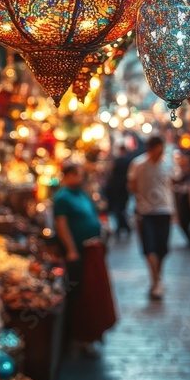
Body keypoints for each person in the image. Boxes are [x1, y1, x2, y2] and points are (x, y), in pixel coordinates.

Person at [53, 163, 105, 352]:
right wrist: (71, 249)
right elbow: (61, 225)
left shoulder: (81, 194)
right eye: (77, 174)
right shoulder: (62, 198)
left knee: (90, 291)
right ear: (68, 176)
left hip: (91, 249)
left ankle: (88, 333)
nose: (80, 178)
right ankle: (77, 334)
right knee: (78, 292)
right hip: (77, 252)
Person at [128, 136, 174, 300]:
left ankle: (157, 277)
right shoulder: (138, 165)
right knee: (149, 247)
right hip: (145, 212)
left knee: (162, 248)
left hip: (165, 210)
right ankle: (155, 280)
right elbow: (132, 186)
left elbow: (171, 184)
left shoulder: (168, 163)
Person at [104, 144, 133, 239]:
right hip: (123, 189)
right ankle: (123, 227)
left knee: (118, 209)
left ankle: (123, 227)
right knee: (121, 209)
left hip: (116, 189)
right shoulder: (129, 161)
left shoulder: (117, 161)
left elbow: (110, 172)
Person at [172, 150, 190, 248]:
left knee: (186, 220)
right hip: (184, 200)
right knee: (184, 221)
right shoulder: (185, 171)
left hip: (189, 200)